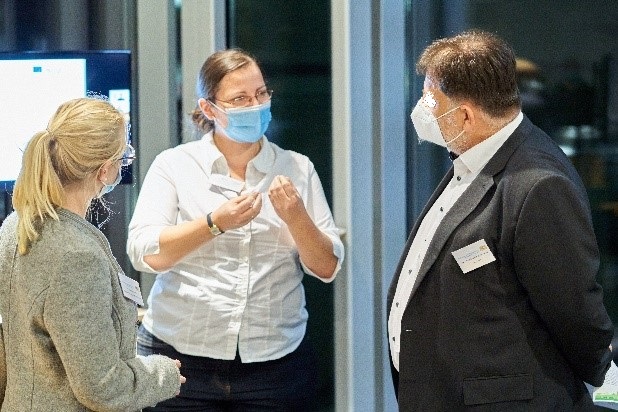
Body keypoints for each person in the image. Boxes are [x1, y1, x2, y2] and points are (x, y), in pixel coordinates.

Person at [386, 30, 614, 410]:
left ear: (465, 115)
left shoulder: (540, 185)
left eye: (430, 99)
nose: (423, 109)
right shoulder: (476, 155)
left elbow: (575, 314)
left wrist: (606, 384)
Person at [127, 48, 344, 411]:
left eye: (261, 94)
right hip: (179, 359)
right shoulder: (175, 165)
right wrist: (214, 224)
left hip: (276, 363)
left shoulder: (297, 168)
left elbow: (327, 267)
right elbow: (145, 252)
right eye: (240, 99)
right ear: (210, 109)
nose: (255, 105)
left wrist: (296, 218)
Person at [0, 97, 185, 411]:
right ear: (105, 170)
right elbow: (101, 387)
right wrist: (163, 374)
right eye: (123, 155)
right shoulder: (76, 255)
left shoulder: (18, 223)